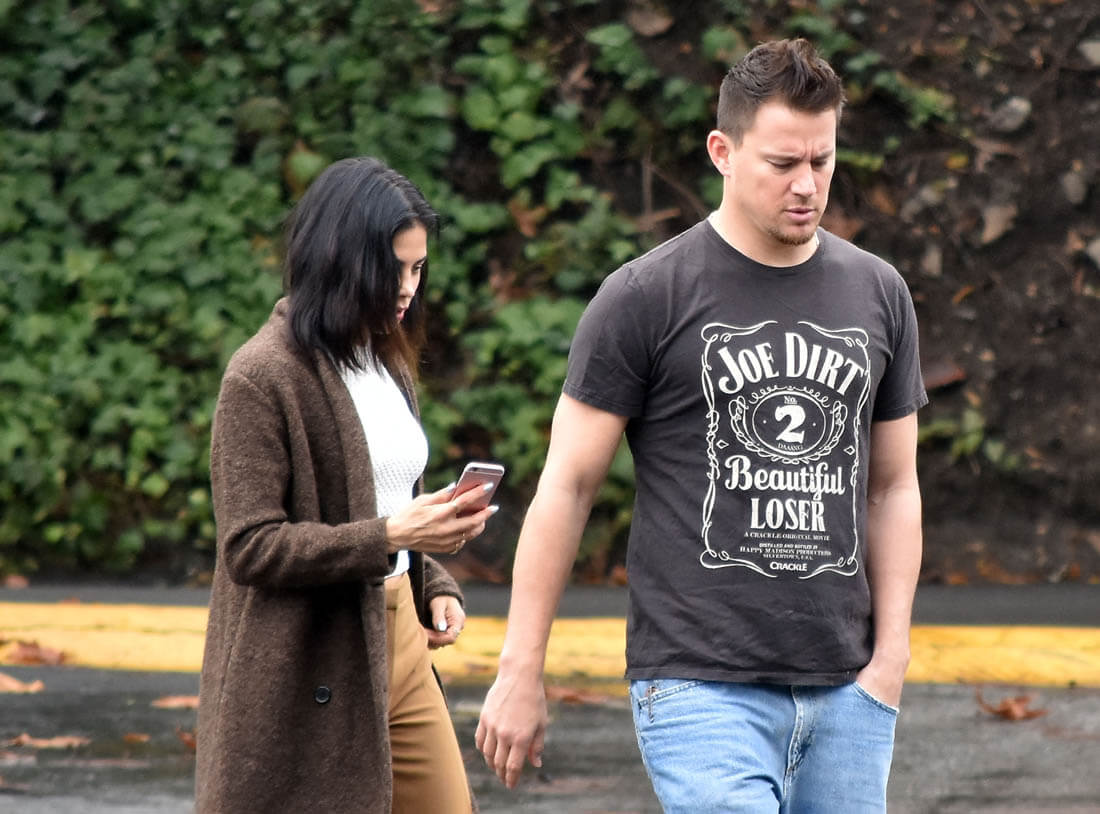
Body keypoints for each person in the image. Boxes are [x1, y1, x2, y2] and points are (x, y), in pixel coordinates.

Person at [476, 38, 927, 813]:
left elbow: (893, 488)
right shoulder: (645, 296)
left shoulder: (878, 293)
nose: (806, 184)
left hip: (848, 689)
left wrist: (888, 665)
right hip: (700, 685)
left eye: (822, 161)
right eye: (782, 163)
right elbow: (568, 485)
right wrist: (520, 668)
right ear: (723, 151)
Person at [196, 157, 496, 814]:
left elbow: (387, 506)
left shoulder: (386, 362)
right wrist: (390, 537)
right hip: (311, 661)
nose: (408, 288)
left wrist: (431, 582)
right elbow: (250, 547)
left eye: (419, 268)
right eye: (395, 269)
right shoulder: (260, 375)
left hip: (401, 640)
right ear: (341, 261)